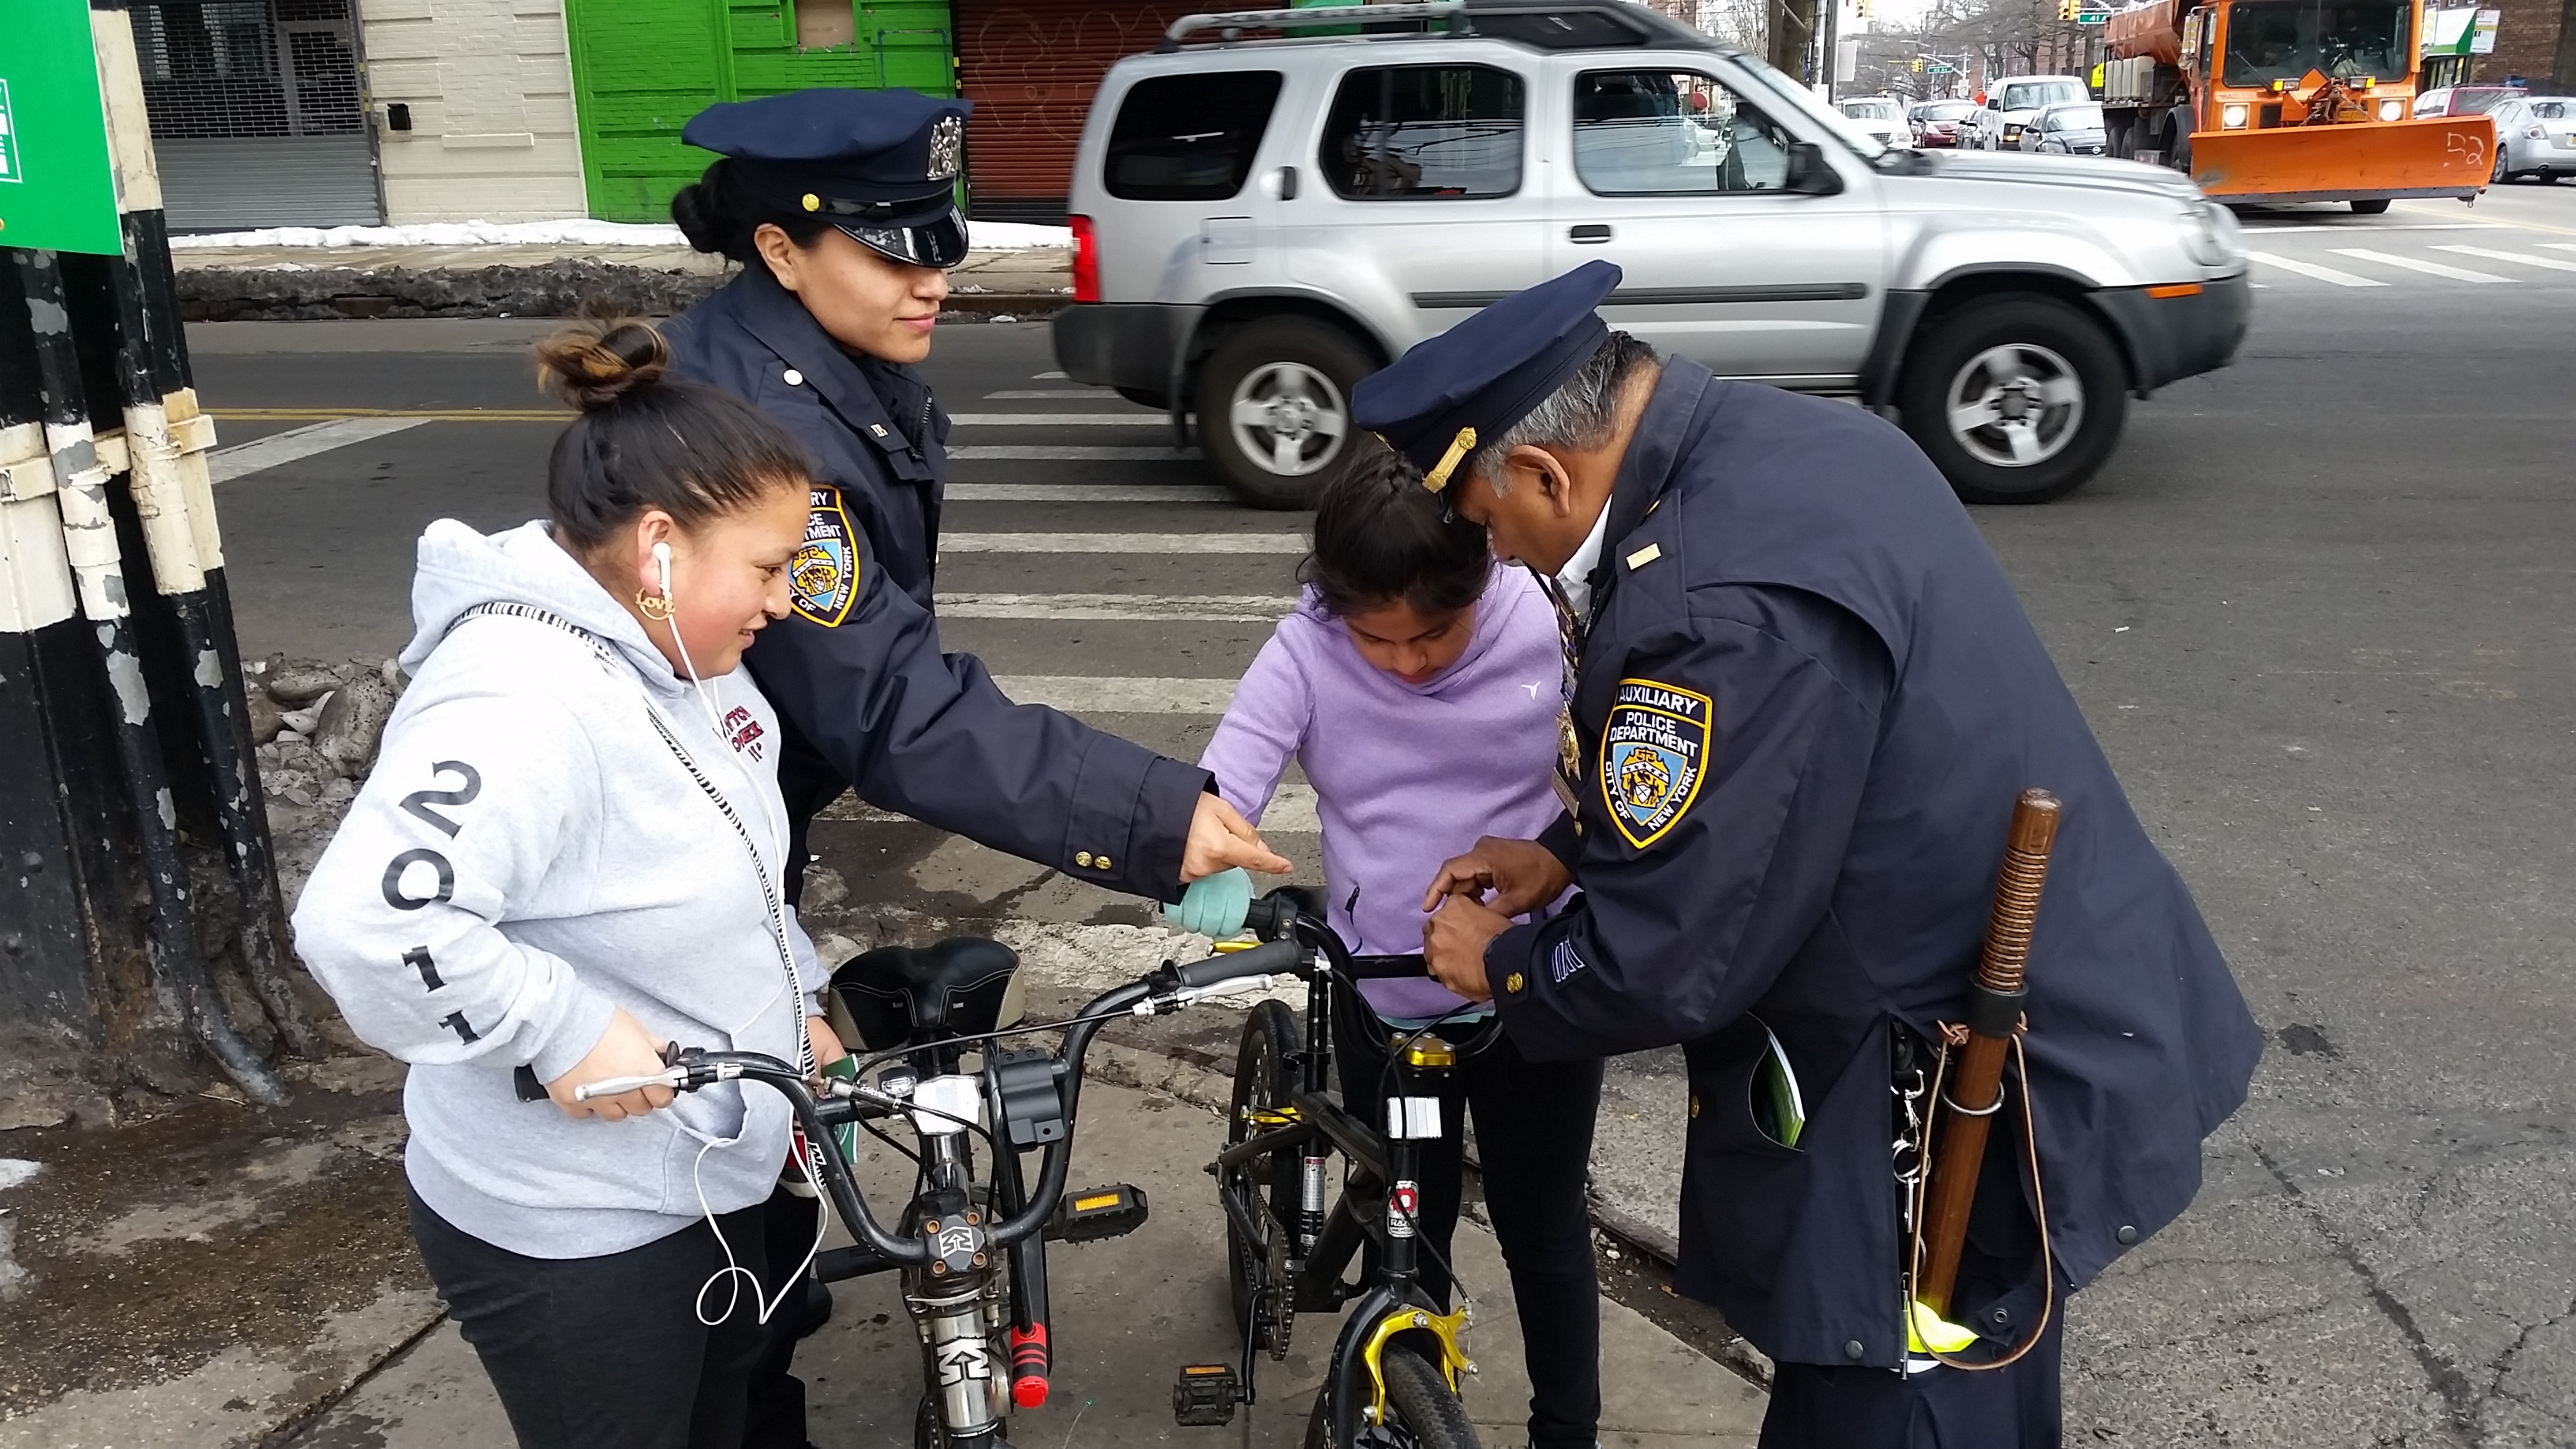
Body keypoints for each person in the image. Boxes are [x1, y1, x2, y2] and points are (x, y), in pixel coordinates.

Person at [1381, 262, 2264, 1447]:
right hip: (2014, 1013)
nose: (1508, 561)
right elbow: (1771, 786)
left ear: (1548, 471)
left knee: (1910, 1404)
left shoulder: (1711, 602)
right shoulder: (1787, 442)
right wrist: (1571, 853)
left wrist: (1506, 967)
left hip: (1941, 1120)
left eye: (1498, 527)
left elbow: (1671, 960)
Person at [656, 87, 1291, 1447]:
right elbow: (891, 702)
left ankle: (759, 1285)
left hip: (736, 800)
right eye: (893, 252)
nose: (931, 277)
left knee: (755, 1068)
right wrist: (1154, 814)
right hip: (674, 832)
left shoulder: (797, 362)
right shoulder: (754, 435)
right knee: (709, 1127)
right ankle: (742, 1364)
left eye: (937, 243)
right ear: (778, 250)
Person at [290, 319, 850, 1449]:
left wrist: (796, 997)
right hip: (579, 1233)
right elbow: (367, 920)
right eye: (767, 566)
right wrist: (556, 1024)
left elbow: (737, 867)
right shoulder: (520, 697)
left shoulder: (690, 664)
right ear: (658, 547)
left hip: (706, 1173)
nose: (786, 598)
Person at [1186, 446, 1603, 1449]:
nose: (1410, 662)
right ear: (1334, 606)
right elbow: (1225, 781)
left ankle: (1567, 1432)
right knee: (1413, 1223)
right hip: (1386, 986)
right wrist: (1210, 854)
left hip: (1535, 987)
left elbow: (1613, 796)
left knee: (1545, 1225)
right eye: (1379, 639)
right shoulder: (1307, 647)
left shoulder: (1547, 621)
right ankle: (1400, 1408)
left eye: (1436, 633)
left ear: (1488, 575)